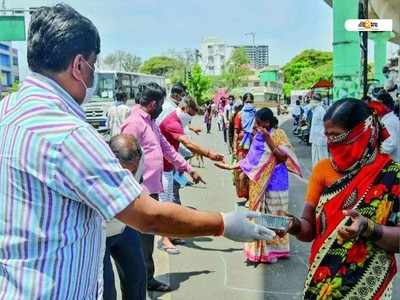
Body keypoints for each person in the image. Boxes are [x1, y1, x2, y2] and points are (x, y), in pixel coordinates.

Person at [0, 5, 277, 298]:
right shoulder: (68, 133)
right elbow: (149, 217)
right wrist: (223, 223)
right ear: (79, 65)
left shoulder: (7, 111)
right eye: (94, 66)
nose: (92, 77)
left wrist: (187, 166)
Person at [286, 99, 400, 299]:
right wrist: (293, 224)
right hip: (323, 283)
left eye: (337, 136)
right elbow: (309, 229)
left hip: (369, 286)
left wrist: (368, 227)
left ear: (362, 132)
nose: (331, 144)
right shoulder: (323, 169)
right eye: (327, 136)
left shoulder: (392, 175)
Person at [121, 82, 205, 291]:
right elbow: (125, 159)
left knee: (146, 240)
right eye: (160, 104)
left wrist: (187, 168)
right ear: (153, 103)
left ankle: (147, 279)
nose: (162, 107)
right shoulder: (134, 124)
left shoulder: (150, 121)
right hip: (139, 192)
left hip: (152, 189)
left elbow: (166, 148)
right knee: (138, 243)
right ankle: (141, 284)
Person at [215, 108, 302, 263]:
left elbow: (282, 158)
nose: (255, 126)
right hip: (260, 181)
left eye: (258, 123)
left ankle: (277, 249)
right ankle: (264, 251)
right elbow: (252, 160)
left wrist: (269, 139)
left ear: (267, 122)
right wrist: (232, 166)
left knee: (276, 215)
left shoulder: (279, 134)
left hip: (277, 180)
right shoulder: (258, 137)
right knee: (261, 216)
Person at [158, 96, 224, 253]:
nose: (190, 119)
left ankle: (170, 234)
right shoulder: (172, 121)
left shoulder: (177, 119)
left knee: (170, 203)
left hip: (169, 166)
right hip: (161, 168)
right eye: (190, 115)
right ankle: (164, 239)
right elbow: (187, 143)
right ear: (184, 108)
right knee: (165, 204)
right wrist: (208, 153)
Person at [104, 134, 146, 300]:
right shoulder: (96, 166)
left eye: (133, 169)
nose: (129, 175)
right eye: (124, 170)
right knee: (107, 291)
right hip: (100, 233)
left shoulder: (140, 159)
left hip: (125, 227)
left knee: (136, 277)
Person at [370, 90, 400, 162]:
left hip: (394, 161)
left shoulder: (389, 121)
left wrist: (374, 153)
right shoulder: (388, 118)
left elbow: (390, 144)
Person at [309, 94, 329, 166]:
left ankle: (325, 173)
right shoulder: (315, 110)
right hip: (315, 138)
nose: (310, 101)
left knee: (322, 157)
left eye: (311, 100)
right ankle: (317, 172)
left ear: (315, 101)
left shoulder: (321, 110)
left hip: (320, 138)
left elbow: (326, 123)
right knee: (315, 158)